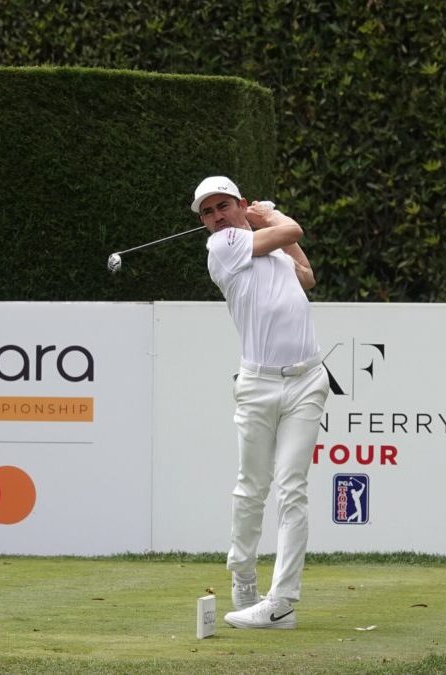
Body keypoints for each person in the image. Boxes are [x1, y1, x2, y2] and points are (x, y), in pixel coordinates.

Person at [191, 175, 330, 630]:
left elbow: (306, 276)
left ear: (240, 203)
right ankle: (243, 578)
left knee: (293, 488)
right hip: (257, 384)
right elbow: (293, 230)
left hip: (307, 379)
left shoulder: (266, 247)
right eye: (207, 212)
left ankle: (282, 601)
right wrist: (268, 216)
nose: (215, 216)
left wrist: (267, 223)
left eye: (223, 206)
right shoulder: (224, 246)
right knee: (251, 487)